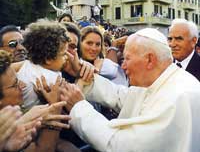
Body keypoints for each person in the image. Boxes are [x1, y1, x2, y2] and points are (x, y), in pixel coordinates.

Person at [60, 28, 200, 152]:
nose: (123, 66)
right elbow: (121, 96)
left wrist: (78, 107)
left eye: (127, 58)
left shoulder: (176, 96)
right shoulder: (161, 80)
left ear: (150, 60)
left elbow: (120, 145)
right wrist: (84, 76)